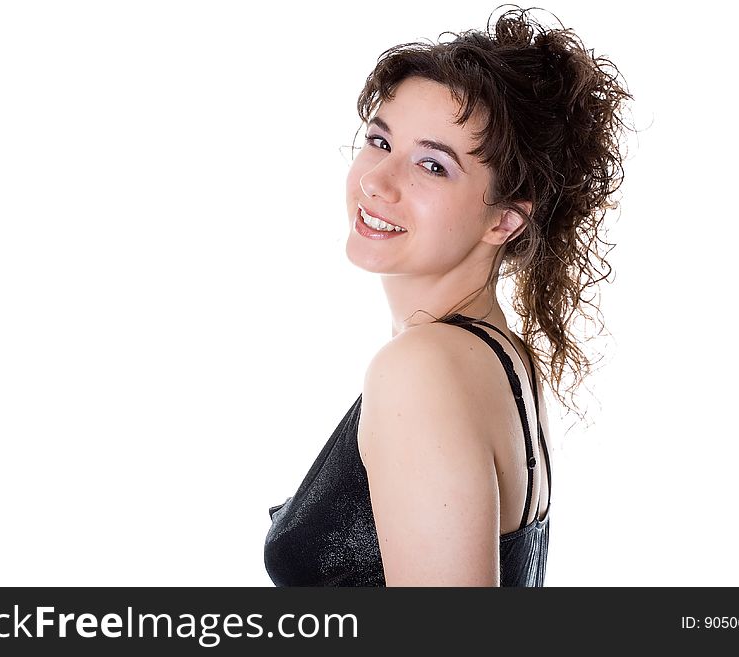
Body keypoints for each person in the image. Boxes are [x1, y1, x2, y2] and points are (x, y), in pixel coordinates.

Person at [264, 6, 631, 586]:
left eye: (432, 165)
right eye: (380, 141)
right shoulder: (497, 356)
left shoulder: (424, 367)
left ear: (504, 221)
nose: (375, 182)